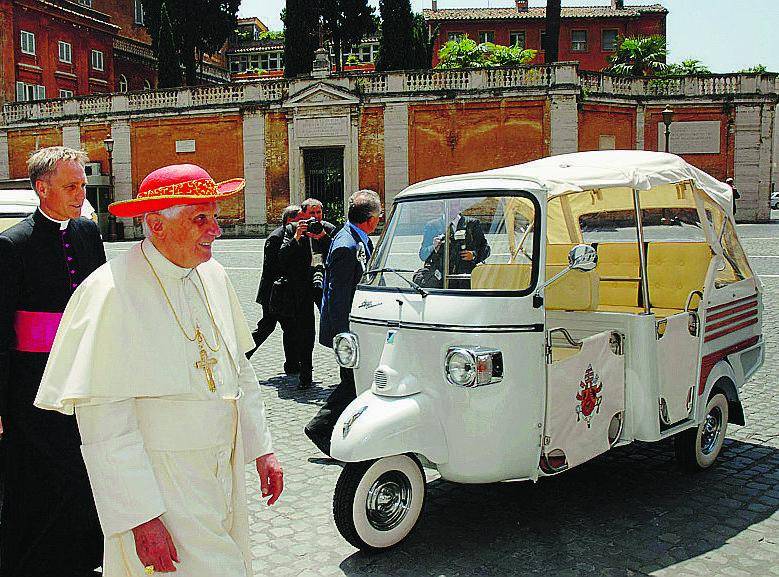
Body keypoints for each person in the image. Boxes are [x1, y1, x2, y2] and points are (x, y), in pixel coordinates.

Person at [34, 163, 283, 577]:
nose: (215, 231)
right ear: (156, 225)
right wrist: (140, 517)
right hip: (161, 481)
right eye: (200, 219)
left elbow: (239, 371)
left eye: (214, 217)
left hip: (219, 469)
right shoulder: (110, 292)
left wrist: (263, 448)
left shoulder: (214, 275)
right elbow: (105, 422)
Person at [0, 146, 105, 576]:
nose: (81, 193)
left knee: (84, 472)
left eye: (82, 184)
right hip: (32, 385)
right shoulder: (12, 244)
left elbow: (102, 301)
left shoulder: (87, 234)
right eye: (71, 185)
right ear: (42, 188)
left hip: (84, 378)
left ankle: (84, 558)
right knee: (40, 479)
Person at [305, 190, 382, 456]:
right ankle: (321, 428)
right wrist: (343, 338)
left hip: (355, 327)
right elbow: (336, 296)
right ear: (371, 219)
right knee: (352, 383)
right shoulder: (346, 246)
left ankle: (343, 432)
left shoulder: (356, 239)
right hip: (347, 331)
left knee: (354, 383)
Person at [278, 199, 336, 389]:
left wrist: (323, 237)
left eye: (319, 213)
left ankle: (345, 369)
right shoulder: (292, 229)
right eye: (312, 213)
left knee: (333, 324)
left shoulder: (328, 228)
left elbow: (339, 253)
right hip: (302, 286)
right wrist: (297, 236)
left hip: (324, 283)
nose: (316, 217)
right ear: (303, 215)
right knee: (305, 331)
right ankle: (305, 375)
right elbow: (283, 256)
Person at [246, 204, 302, 370]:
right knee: (267, 327)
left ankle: (292, 364)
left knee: (289, 328)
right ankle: (241, 356)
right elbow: (273, 267)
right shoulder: (276, 237)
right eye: (298, 221)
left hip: (282, 293)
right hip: (273, 293)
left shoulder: (288, 235)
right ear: (289, 220)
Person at [417, 199, 490, 288]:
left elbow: (486, 249)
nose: (451, 209)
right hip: (440, 281)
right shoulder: (432, 226)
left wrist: (473, 255)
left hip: (465, 280)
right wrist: (434, 247)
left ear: (459, 207)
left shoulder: (472, 224)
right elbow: (423, 255)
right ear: (443, 207)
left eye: (454, 205)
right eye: (449, 206)